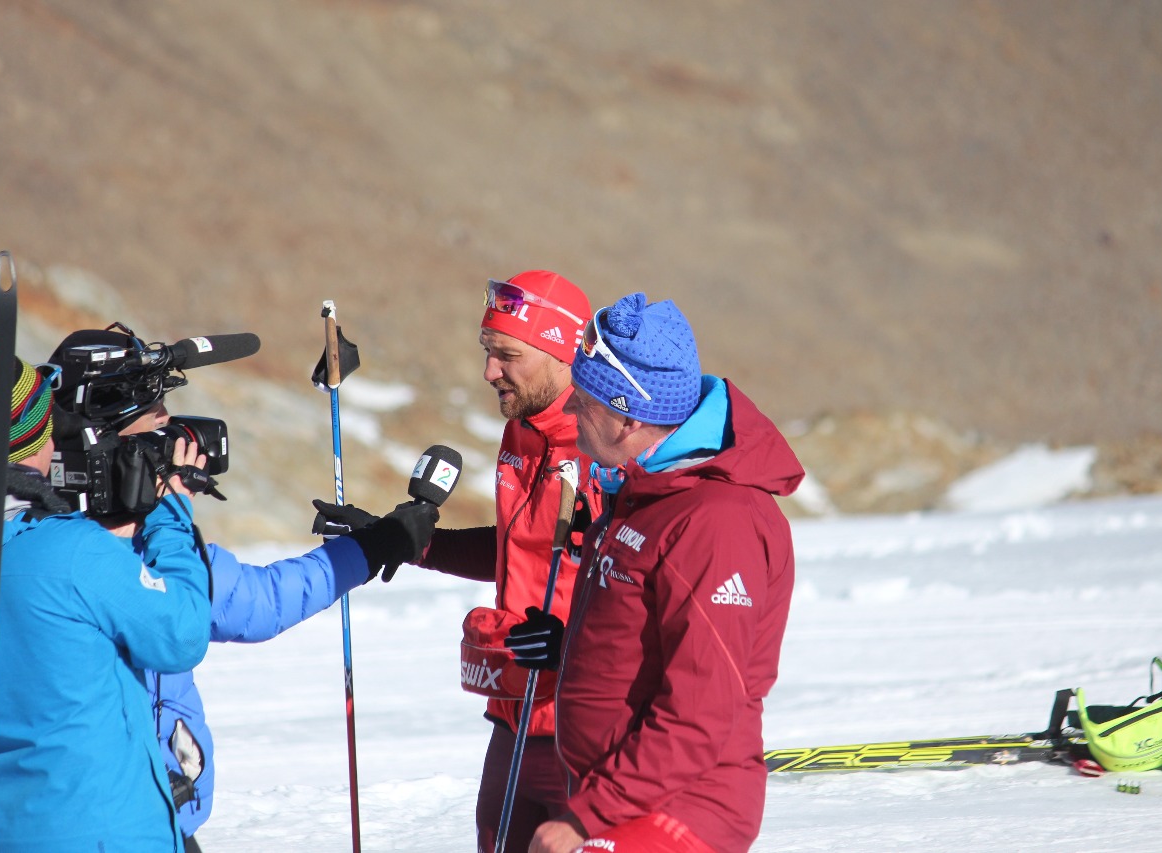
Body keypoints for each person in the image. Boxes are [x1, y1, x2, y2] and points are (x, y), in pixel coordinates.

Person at [46, 325, 439, 850]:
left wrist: (374, 546)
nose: (174, 432)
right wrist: (171, 510)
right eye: (157, 416)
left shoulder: (21, 542)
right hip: (130, 823)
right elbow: (260, 605)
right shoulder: (147, 557)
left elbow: (259, 601)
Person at [318, 270, 602, 853]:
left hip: (588, 725)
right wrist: (406, 540)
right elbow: (515, 551)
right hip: (514, 715)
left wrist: (576, 643)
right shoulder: (522, 432)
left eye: (508, 355)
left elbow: (638, 583)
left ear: (559, 352)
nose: (489, 372)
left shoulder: (607, 444)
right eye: (487, 352)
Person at [522, 293, 805, 853]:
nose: (570, 413)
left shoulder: (715, 521)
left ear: (628, 415)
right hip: (621, 795)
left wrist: (584, 820)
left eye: (583, 400)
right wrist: (576, 648)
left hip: (680, 806)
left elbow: (700, 714)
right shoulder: (649, 492)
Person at [0, 348, 211, 850]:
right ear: (36, 434)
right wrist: (170, 513)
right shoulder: (71, 551)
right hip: (104, 834)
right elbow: (182, 632)